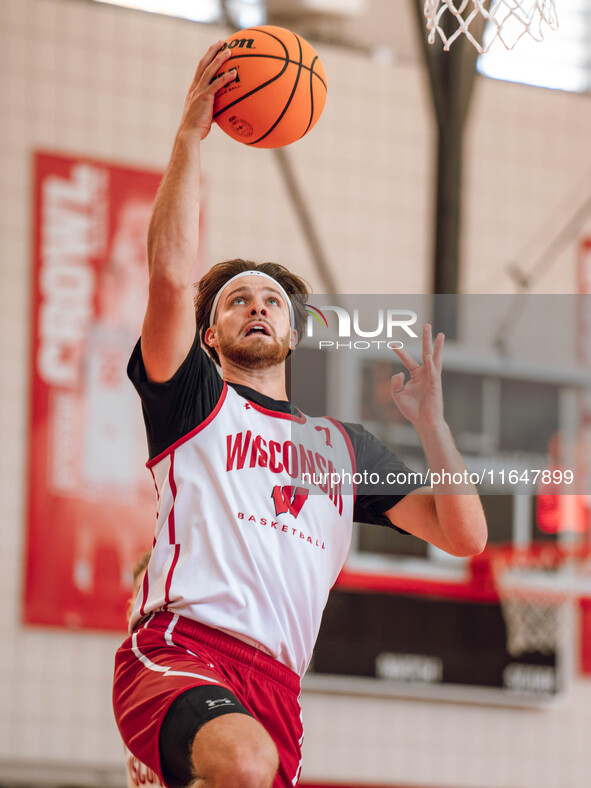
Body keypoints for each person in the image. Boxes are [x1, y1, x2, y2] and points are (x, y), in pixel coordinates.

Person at [112, 40, 488, 788]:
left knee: (251, 762)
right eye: (234, 300)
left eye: (272, 299)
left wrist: (431, 426)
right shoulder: (193, 400)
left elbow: (464, 536)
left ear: (293, 332)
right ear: (209, 334)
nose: (256, 304)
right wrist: (189, 134)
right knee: (244, 762)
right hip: (182, 649)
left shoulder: (342, 448)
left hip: (276, 689)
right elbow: (164, 280)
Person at [123, 551, 166, 788]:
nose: (152, 602)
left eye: (160, 590)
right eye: (144, 591)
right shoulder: (130, 686)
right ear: (130, 610)